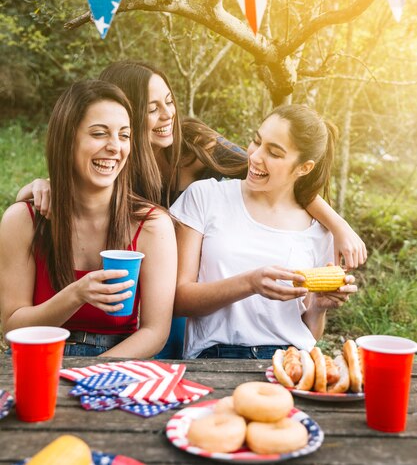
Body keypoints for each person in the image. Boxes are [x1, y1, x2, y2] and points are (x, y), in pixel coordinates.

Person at [15, 61, 366, 358]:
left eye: (169, 101)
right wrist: (42, 184)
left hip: (173, 279)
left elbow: (267, 171)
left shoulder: (198, 144)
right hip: (142, 283)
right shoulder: (116, 160)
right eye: (152, 108)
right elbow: (75, 181)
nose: (167, 114)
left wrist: (337, 225)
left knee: (167, 320)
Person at [0, 80, 177, 357]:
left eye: (124, 135)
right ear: (67, 139)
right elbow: (13, 327)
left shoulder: (153, 226)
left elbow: (155, 332)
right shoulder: (22, 221)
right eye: (99, 133)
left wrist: (91, 375)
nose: (114, 147)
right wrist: (76, 294)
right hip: (38, 359)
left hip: (116, 364)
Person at [171, 104, 358, 359]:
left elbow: (309, 334)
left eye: (274, 152)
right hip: (215, 358)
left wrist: (319, 308)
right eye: (256, 141)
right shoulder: (206, 196)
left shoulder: (319, 231)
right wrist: (250, 283)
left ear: (304, 168)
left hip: (292, 359)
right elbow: (178, 300)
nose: (255, 156)